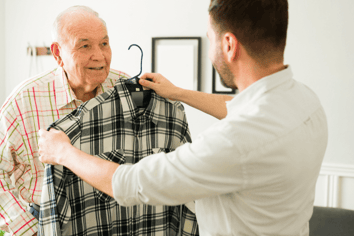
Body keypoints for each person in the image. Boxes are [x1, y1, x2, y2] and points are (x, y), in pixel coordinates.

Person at [38, 0, 328, 235]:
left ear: (228, 45)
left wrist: (64, 152)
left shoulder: (234, 143)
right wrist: (178, 93)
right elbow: (241, 107)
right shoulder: (304, 99)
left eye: (210, 39)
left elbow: (129, 183)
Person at [0, 6, 130, 236]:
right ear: (57, 53)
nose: (99, 55)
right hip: (49, 224)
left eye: (104, 43)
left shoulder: (124, 88)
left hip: (116, 224)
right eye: (85, 45)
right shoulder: (26, 99)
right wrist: (27, 230)